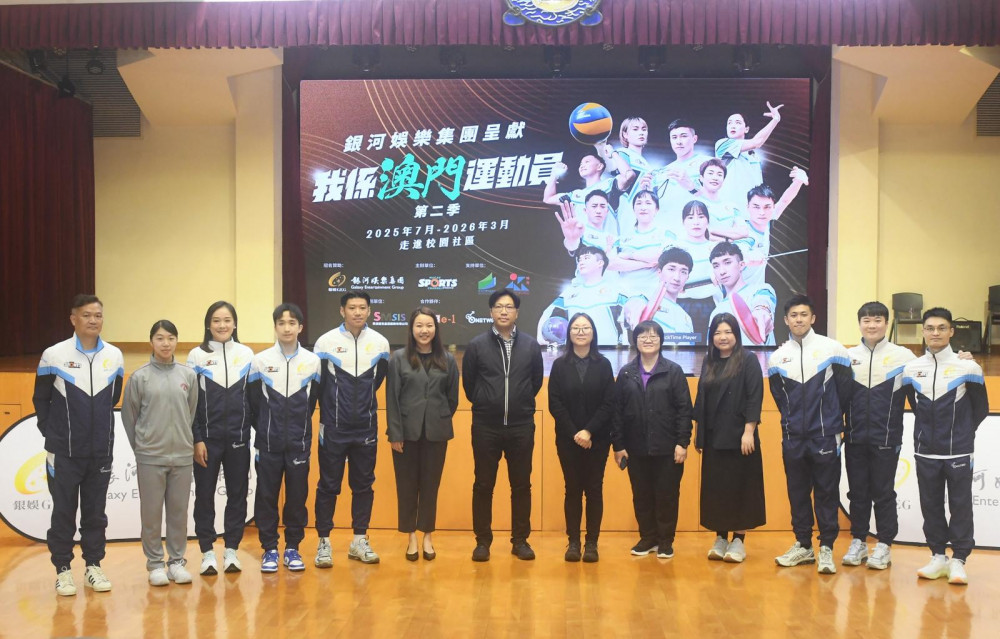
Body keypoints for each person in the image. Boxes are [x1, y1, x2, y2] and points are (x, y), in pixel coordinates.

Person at [33, 294, 124, 596]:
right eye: (87, 315)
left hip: (100, 452)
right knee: (63, 512)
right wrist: (54, 434)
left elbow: (114, 398)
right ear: (73, 319)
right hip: (64, 453)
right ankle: (62, 570)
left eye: (98, 315)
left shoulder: (115, 356)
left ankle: (93, 566)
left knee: (95, 513)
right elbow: (41, 399)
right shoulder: (53, 355)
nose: (93, 320)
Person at [903, 307, 988, 585]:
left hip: (959, 451)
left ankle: (959, 560)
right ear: (923, 332)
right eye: (930, 328)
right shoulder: (911, 369)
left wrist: (961, 434)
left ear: (951, 331)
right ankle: (938, 556)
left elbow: (981, 409)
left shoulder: (969, 367)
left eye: (941, 328)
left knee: (960, 505)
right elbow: (915, 405)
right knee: (930, 505)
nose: (935, 333)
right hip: (925, 450)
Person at [768, 295, 852, 575]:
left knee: (826, 492)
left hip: (826, 436)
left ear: (813, 318)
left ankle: (826, 547)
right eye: (793, 315)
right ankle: (803, 545)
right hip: (793, 437)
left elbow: (845, 392)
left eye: (804, 314)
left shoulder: (833, 350)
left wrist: (830, 420)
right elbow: (779, 398)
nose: (799, 319)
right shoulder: (777, 357)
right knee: (797, 492)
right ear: (785, 320)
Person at [463, 290, 543, 562]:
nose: (504, 311)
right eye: (499, 306)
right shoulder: (477, 345)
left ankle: (520, 541)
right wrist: (487, 401)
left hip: (521, 426)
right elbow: (470, 385)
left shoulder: (531, 345)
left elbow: (535, 382)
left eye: (509, 307)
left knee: (521, 485)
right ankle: (482, 542)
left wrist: (520, 403)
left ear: (517, 313)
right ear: (491, 312)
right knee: (483, 485)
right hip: (486, 426)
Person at [313, 291, 390, 566]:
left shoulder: (380, 343)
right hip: (333, 427)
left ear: (369, 311)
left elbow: (377, 381)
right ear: (342, 311)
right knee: (328, 485)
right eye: (352, 308)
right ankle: (324, 542)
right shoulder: (325, 343)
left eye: (362, 308)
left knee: (363, 485)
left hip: (366, 428)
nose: (357, 312)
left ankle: (359, 540)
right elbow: (319, 385)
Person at [122, 319, 198, 586]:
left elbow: (191, 413)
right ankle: (155, 564)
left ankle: (176, 562)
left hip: (182, 457)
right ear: (151, 342)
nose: (166, 343)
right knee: (151, 514)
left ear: (177, 341)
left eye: (171, 338)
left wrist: (183, 442)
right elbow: (129, 418)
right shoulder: (139, 377)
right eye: (160, 338)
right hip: (150, 458)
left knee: (178, 513)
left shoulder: (188, 376)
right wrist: (143, 448)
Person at [841, 301, 916, 570]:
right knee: (857, 492)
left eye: (877, 320)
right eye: (866, 320)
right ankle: (859, 541)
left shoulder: (904, 357)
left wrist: (964, 359)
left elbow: (927, 378)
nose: (872, 325)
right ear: (859, 323)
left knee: (883, 493)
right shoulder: (847, 356)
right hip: (854, 438)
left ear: (886, 323)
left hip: (887, 438)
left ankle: (884, 544)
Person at [247, 303, 321, 573]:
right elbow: (253, 403)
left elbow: (312, 402)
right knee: (266, 497)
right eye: (281, 323)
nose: (287, 328)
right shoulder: (260, 361)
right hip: (268, 443)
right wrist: (267, 428)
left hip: (299, 443)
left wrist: (297, 428)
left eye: (292, 323)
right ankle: (269, 548)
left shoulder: (313, 362)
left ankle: (292, 548)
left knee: (297, 497)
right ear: (275, 327)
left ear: (300, 327)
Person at [612, 320, 693, 559]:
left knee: (667, 495)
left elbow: (684, 410)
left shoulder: (673, 371)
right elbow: (617, 411)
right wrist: (618, 445)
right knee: (642, 495)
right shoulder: (626, 373)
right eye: (643, 336)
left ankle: (665, 541)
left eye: (653, 336)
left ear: (661, 340)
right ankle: (648, 538)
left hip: (668, 447)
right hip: (635, 448)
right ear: (635, 341)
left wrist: (682, 443)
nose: (648, 340)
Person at [386, 307, 460, 561]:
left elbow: (452, 398)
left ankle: (427, 536)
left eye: (429, 325)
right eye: (419, 325)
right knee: (406, 487)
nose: (424, 330)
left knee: (430, 486)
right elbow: (392, 399)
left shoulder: (447, 359)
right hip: (405, 435)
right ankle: (411, 537)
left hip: (436, 433)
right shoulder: (398, 358)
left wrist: (438, 417)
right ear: (411, 329)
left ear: (436, 329)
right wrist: (395, 433)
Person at [187, 301, 255, 576]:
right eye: (216, 320)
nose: (222, 325)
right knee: (204, 496)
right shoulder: (196, 355)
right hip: (207, 441)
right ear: (208, 324)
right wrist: (197, 438)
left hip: (238, 438)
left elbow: (253, 398)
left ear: (235, 324)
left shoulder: (247, 354)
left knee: (237, 495)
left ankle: (231, 550)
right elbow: (190, 403)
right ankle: (207, 552)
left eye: (227, 320)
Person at [693, 313, 765, 563]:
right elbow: (701, 399)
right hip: (714, 438)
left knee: (740, 488)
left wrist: (749, 431)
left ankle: (738, 540)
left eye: (727, 332)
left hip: (740, 438)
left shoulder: (748, 359)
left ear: (736, 334)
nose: (722, 337)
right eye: (717, 333)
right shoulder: (709, 361)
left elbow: (755, 397)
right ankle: (721, 538)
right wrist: (699, 434)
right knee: (717, 490)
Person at [547, 313, 616, 563]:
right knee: (573, 489)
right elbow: (555, 403)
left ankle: (592, 543)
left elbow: (609, 402)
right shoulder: (559, 365)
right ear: (569, 333)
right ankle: (574, 542)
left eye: (585, 328)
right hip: (568, 440)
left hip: (598, 440)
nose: (580, 332)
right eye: (576, 328)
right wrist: (575, 432)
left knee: (594, 489)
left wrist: (589, 431)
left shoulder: (604, 364)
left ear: (593, 333)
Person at [536, 245, 626, 347]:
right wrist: (539, 336)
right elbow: (547, 313)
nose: (581, 262)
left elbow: (626, 321)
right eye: (580, 260)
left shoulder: (615, 291)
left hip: (607, 351)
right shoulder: (570, 292)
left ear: (600, 263)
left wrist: (627, 346)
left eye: (586, 258)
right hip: (574, 352)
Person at [734, 169, 808, 289]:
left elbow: (784, 200)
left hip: (756, 291)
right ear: (748, 207)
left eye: (767, 207)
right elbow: (739, 250)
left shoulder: (767, 219)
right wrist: (748, 255)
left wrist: (798, 181)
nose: (762, 212)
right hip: (736, 293)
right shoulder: (743, 231)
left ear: (773, 208)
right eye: (756, 207)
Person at [715, 101, 783, 208]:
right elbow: (757, 142)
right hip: (729, 208)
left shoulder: (754, 155)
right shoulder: (723, 144)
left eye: (737, 122)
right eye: (729, 123)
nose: (732, 126)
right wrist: (775, 119)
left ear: (746, 129)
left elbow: (758, 182)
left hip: (752, 209)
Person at [608, 189, 674, 298]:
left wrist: (628, 256)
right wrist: (646, 264)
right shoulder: (623, 238)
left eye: (648, 203)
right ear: (634, 209)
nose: (643, 207)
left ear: (656, 209)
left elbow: (659, 257)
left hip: (653, 296)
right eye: (639, 203)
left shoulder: (665, 234)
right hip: (625, 296)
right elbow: (611, 264)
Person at [707, 242, 776, 346]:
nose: (722, 271)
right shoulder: (715, 312)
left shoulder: (760, 289)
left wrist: (761, 310)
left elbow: (763, 302)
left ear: (741, 265)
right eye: (716, 266)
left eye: (727, 262)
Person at [622, 247, 695, 344]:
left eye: (683, 272)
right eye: (671, 269)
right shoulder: (644, 300)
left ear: (687, 278)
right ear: (659, 273)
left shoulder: (687, 318)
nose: (677, 277)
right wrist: (633, 307)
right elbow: (632, 306)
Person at [554, 191, 619, 257]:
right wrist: (572, 240)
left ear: (607, 211)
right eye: (594, 206)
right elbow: (573, 248)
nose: (598, 211)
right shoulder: (580, 231)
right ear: (585, 210)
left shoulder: (612, 238)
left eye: (602, 206)